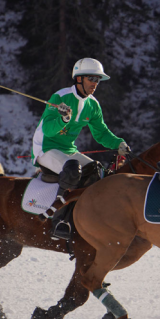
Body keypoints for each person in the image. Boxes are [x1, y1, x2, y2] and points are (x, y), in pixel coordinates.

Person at [31, 57, 130, 240]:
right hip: (46, 148)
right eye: (91, 79)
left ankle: (91, 219)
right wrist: (63, 119)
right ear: (79, 78)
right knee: (73, 169)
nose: (95, 84)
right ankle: (60, 222)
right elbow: (48, 130)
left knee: (97, 171)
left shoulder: (93, 105)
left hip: (68, 149)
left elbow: (101, 133)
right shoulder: (60, 97)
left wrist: (119, 144)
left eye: (98, 80)